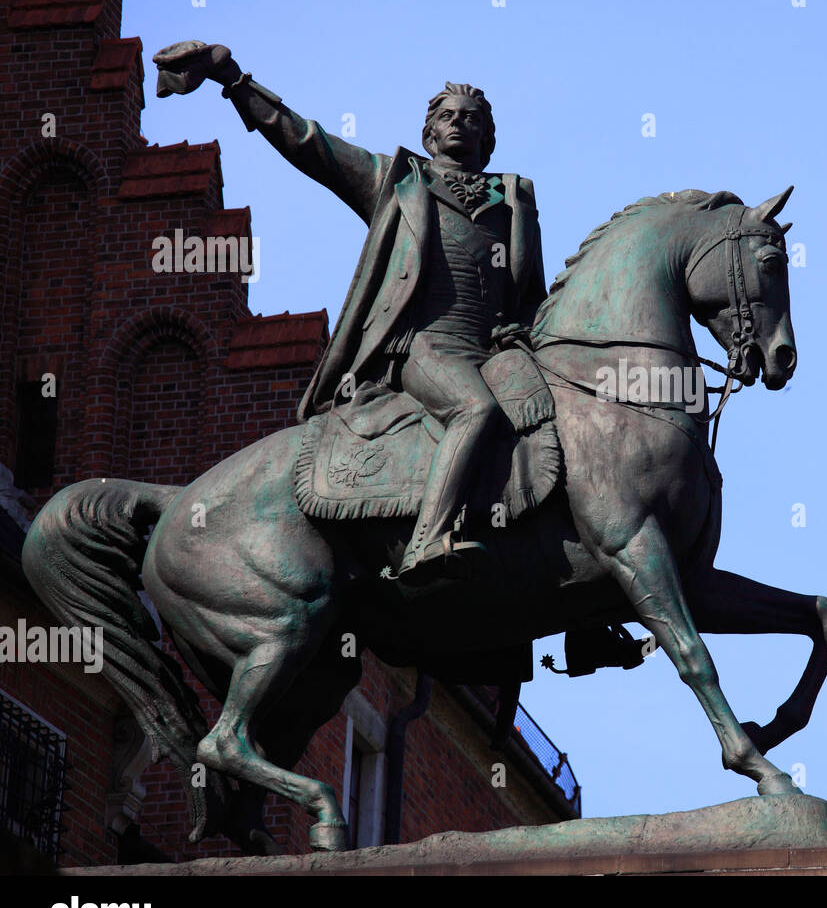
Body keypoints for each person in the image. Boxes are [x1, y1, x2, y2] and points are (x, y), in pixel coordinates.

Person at [154, 42, 547, 584]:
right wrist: (235, 81)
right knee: (475, 410)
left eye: (472, 119)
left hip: (492, 352)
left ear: (487, 136)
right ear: (430, 132)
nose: (459, 124)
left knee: (571, 418)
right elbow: (310, 143)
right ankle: (426, 543)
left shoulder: (515, 202)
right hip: (424, 348)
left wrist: (521, 332)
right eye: (447, 116)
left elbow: (530, 296)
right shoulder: (398, 183)